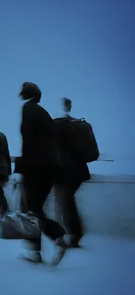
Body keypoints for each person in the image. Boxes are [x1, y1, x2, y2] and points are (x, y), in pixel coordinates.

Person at [17, 82, 67, 266]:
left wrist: (24, 168)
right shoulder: (43, 113)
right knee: (34, 209)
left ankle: (57, 237)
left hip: (37, 167)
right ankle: (35, 252)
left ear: (27, 94)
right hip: (51, 167)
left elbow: (28, 140)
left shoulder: (28, 108)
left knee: (32, 211)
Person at [53, 97, 91, 248]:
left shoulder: (55, 125)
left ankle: (72, 235)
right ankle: (71, 233)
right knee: (67, 201)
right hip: (80, 171)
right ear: (70, 107)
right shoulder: (80, 124)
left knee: (64, 202)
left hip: (62, 171)